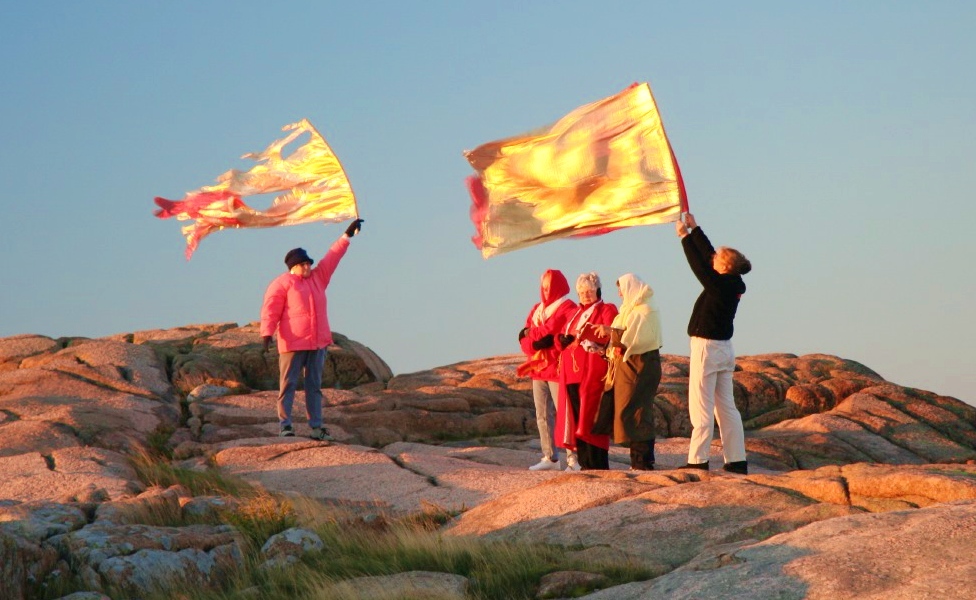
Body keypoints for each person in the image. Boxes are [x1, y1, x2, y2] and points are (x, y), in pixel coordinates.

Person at [261, 218, 364, 440]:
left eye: (309, 263)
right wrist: (267, 333)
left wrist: (347, 236)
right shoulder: (281, 284)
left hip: (318, 343)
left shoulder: (318, 278)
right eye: (303, 264)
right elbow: (271, 309)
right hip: (293, 343)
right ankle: (285, 425)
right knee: (288, 385)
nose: (308, 266)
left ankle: (316, 427)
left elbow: (332, 258)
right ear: (293, 266)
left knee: (314, 387)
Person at [675, 212, 752, 474]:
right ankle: (737, 460)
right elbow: (708, 257)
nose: (713, 258)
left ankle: (698, 460)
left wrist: (685, 238)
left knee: (702, 406)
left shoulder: (719, 284)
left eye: (718, 257)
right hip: (724, 349)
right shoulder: (731, 281)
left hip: (707, 348)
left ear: (725, 266)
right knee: (726, 406)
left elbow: (699, 266)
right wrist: (695, 229)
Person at [592, 274, 662, 470]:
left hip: (642, 366)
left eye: (621, 289)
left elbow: (639, 339)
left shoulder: (646, 310)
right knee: (628, 411)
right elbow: (621, 340)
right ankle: (637, 460)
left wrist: (610, 331)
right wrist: (603, 347)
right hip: (627, 367)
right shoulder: (627, 312)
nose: (620, 294)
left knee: (639, 410)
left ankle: (643, 461)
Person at [554, 273, 618, 471]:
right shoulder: (574, 313)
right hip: (572, 373)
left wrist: (596, 339)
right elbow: (563, 336)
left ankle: (598, 463)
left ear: (597, 290)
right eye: (582, 293)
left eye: (589, 291)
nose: (585, 295)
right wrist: (561, 340)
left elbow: (610, 333)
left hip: (592, 372)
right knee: (576, 419)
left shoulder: (607, 309)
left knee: (592, 418)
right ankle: (584, 463)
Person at [518, 269, 577, 470]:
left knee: (564, 414)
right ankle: (550, 457)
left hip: (557, 368)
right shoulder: (536, 309)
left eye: (549, 286)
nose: (545, 290)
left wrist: (530, 334)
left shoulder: (568, 307)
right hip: (537, 369)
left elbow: (551, 330)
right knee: (542, 415)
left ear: (558, 287)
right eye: (543, 286)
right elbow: (525, 340)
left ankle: (573, 458)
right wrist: (533, 344)